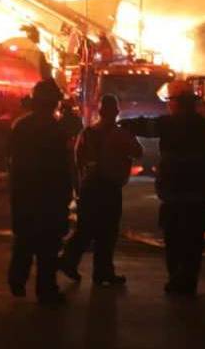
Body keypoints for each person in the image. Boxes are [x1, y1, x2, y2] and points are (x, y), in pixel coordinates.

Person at [122, 80, 205, 296]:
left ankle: (176, 280)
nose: (168, 105)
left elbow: (145, 126)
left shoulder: (169, 124)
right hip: (198, 195)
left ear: (177, 103)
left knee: (174, 240)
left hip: (174, 193)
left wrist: (121, 122)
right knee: (193, 242)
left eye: (170, 101)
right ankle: (188, 282)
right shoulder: (204, 126)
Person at [60, 94, 142, 286]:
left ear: (100, 111)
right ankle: (102, 272)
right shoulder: (120, 134)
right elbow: (138, 152)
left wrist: (79, 186)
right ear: (116, 112)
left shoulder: (87, 133)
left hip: (89, 187)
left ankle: (69, 261)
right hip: (109, 188)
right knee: (107, 232)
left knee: (85, 229)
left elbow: (77, 161)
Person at [7, 79, 74, 305]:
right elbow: (64, 167)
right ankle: (46, 289)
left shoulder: (21, 126)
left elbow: (13, 161)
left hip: (25, 193)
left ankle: (17, 278)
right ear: (54, 103)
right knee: (48, 246)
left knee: (25, 239)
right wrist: (68, 193)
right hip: (50, 196)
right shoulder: (57, 130)